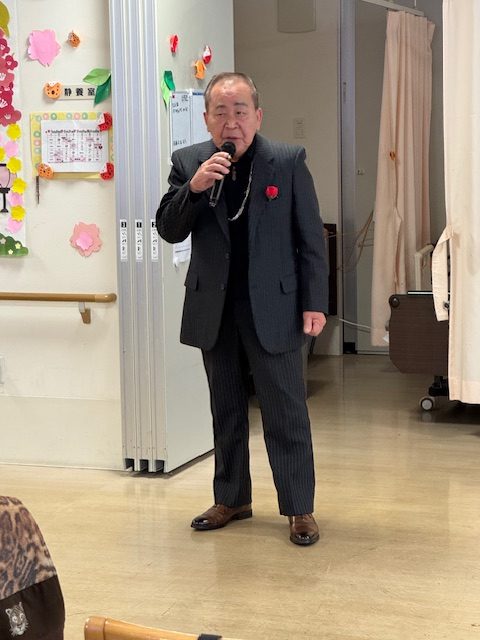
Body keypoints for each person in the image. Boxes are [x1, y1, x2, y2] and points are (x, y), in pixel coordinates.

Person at [156, 72, 328, 546]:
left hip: (275, 307)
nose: (230, 122)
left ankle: (299, 507)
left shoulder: (286, 160)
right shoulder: (189, 162)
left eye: (240, 112)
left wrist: (315, 302)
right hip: (216, 309)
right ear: (206, 118)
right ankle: (231, 499)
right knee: (226, 409)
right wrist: (193, 188)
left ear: (258, 115)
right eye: (220, 112)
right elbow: (169, 229)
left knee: (285, 412)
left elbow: (310, 238)